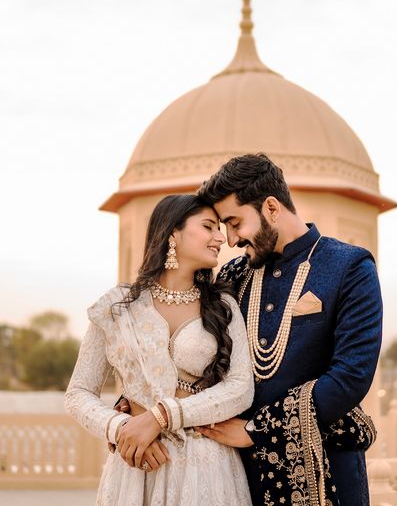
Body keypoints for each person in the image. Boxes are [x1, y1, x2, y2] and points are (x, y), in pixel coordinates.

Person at [194, 153, 382, 506]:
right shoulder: (235, 276)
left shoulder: (350, 267)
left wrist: (257, 431)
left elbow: (351, 376)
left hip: (328, 471)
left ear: (271, 207)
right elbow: (197, 346)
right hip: (239, 473)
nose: (231, 239)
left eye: (235, 222)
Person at [64, 194, 254, 506]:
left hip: (205, 467)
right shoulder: (117, 307)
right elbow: (79, 393)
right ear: (172, 233)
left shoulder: (222, 306)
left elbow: (240, 388)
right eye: (208, 227)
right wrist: (123, 429)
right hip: (136, 467)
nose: (221, 238)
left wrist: (161, 417)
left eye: (220, 228)